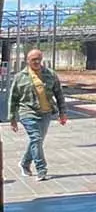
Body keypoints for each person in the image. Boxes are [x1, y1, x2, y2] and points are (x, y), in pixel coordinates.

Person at [8, 47, 67, 180]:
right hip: (27, 112)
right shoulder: (19, 77)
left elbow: (59, 94)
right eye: (34, 60)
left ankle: (24, 163)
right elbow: (13, 99)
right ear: (27, 61)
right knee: (36, 139)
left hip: (45, 113)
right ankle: (41, 169)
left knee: (37, 141)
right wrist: (12, 118)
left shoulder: (50, 74)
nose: (37, 62)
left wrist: (62, 113)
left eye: (39, 59)